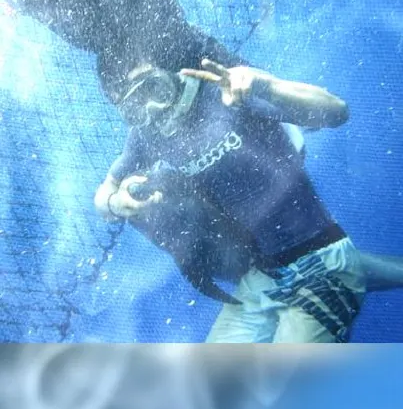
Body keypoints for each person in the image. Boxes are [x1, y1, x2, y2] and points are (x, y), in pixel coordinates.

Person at [94, 58, 403, 343]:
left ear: (169, 70)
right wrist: (114, 202)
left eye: (154, 87)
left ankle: (349, 275)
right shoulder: (146, 135)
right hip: (263, 274)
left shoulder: (225, 91)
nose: (151, 108)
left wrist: (263, 85)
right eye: (134, 105)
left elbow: (336, 111)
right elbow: (104, 194)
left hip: (320, 262)